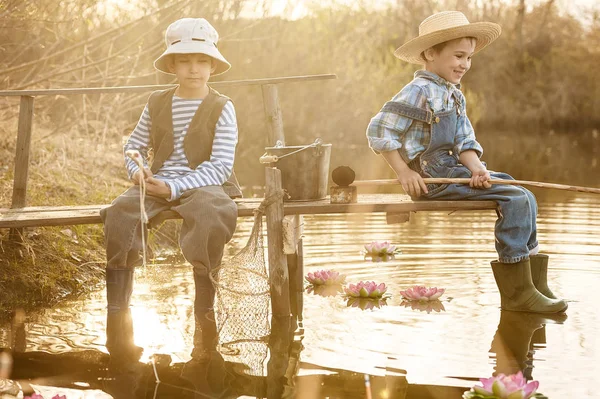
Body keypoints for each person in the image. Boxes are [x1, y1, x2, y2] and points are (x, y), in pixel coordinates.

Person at [366, 11, 567, 314]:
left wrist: (477, 170)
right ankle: (517, 294)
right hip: (430, 178)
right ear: (430, 53)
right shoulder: (418, 91)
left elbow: (463, 143)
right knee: (513, 198)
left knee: (519, 189)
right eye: (458, 55)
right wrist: (404, 171)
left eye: (469, 58)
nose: (464, 64)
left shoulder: (455, 95)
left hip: (453, 170)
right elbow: (379, 130)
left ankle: (534, 284)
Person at [100, 17, 242, 361]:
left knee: (211, 216)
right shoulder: (157, 101)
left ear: (212, 65)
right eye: (185, 60)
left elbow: (220, 165)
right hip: (157, 179)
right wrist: (139, 173)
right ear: (172, 65)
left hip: (205, 182)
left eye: (202, 60)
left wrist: (175, 187)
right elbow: (133, 146)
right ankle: (117, 308)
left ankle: (204, 309)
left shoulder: (223, 107)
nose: (194, 69)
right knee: (119, 214)